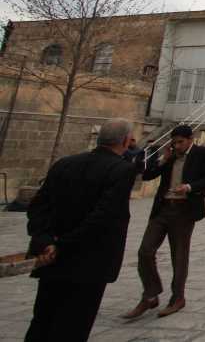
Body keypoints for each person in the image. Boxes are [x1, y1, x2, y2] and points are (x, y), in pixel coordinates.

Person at [25, 119, 135, 342]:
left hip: (51, 259)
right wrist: (62, 245)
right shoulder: (121, 170)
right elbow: (103, 218)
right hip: (88, 262)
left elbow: (38, 208)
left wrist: (45, 241)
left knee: (42, 321)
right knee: (73, 326)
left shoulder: (64, 163)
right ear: (125, 141)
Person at [123, 124, 205, 319]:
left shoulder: (203, 154)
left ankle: (178, 298)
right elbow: (147, 175)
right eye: (174, 143)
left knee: (179, 255)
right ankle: (151, 294)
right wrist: (163, 159)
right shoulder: (170, 155)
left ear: (190, 139)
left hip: (184, 210)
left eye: (180, 142)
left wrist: (189, 187)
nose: (177, 146)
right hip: (163, 208)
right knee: (145, 251)